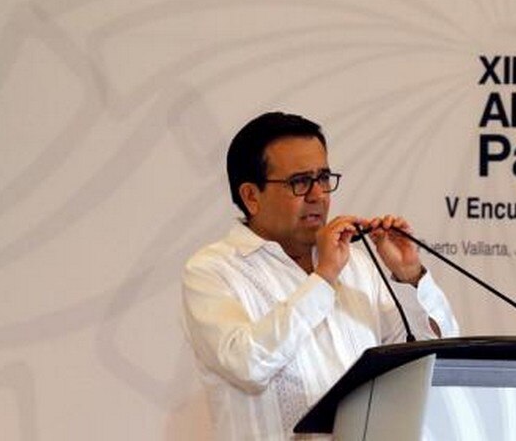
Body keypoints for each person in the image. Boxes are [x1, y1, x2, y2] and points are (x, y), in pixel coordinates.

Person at [182, 112, 459, 440]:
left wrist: (408, 275)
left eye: (324, 178)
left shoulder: (357, 263)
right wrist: (324, 278)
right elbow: (248, 365)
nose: (318, 195)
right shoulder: (212, 271)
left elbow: (433, 360)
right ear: (251, 196)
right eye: (299, 182)